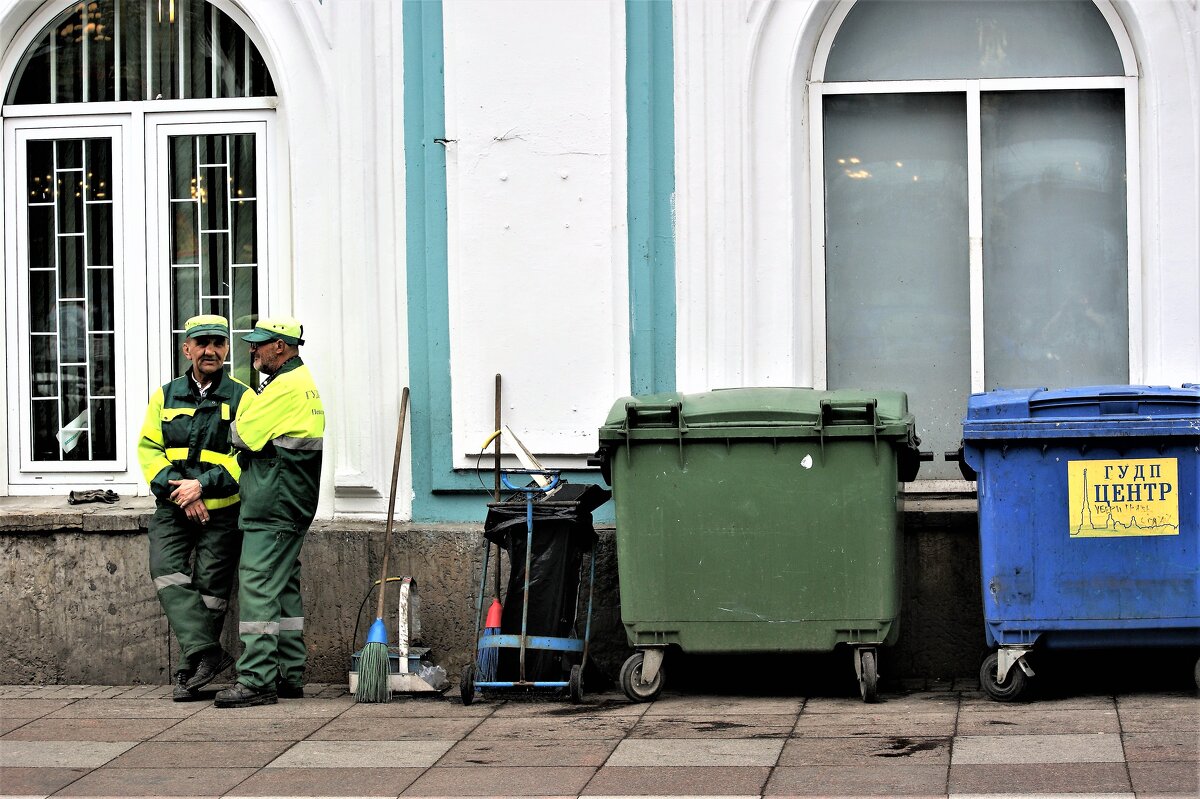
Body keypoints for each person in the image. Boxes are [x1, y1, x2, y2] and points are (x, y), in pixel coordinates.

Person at [137, 314, 250, 701]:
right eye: (202, 343)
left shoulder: (242, 397)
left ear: (226, 349)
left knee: (211, 591)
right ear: (187, 349)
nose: (210, 350)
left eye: (218, 343)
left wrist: (201, 485)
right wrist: (182, 494)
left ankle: (191, 670)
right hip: (174, 507)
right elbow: (149, 451)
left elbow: (246, 456)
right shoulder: (164, 395)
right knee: (165, 571)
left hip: (223, 510)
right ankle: (209, 653)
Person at [215, 317, 325, 708]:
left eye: (260, 344)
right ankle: (289, 673)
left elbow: (241, 434)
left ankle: (257, 679)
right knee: (284, 588)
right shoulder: (302, 382)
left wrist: (240, 425)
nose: (253, 350)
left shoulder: (283, 387)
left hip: (273, 504)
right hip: (291, 502)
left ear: (281, 346)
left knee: (259, 585)